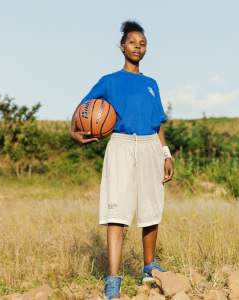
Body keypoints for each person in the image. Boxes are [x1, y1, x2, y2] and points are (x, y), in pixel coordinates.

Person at [70, 20, 174, 300]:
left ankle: (149, 268)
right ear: (122, 46)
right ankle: (113, 279)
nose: (138, 47)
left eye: (142, 43)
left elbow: (159, 122)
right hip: (121, 146)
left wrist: (166, 153)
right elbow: (82, 109)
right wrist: (74, 132)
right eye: (132, 42)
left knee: (151, 210)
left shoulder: (151, 84)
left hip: (151, 146)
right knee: (116, 214)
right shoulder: (109, 80)